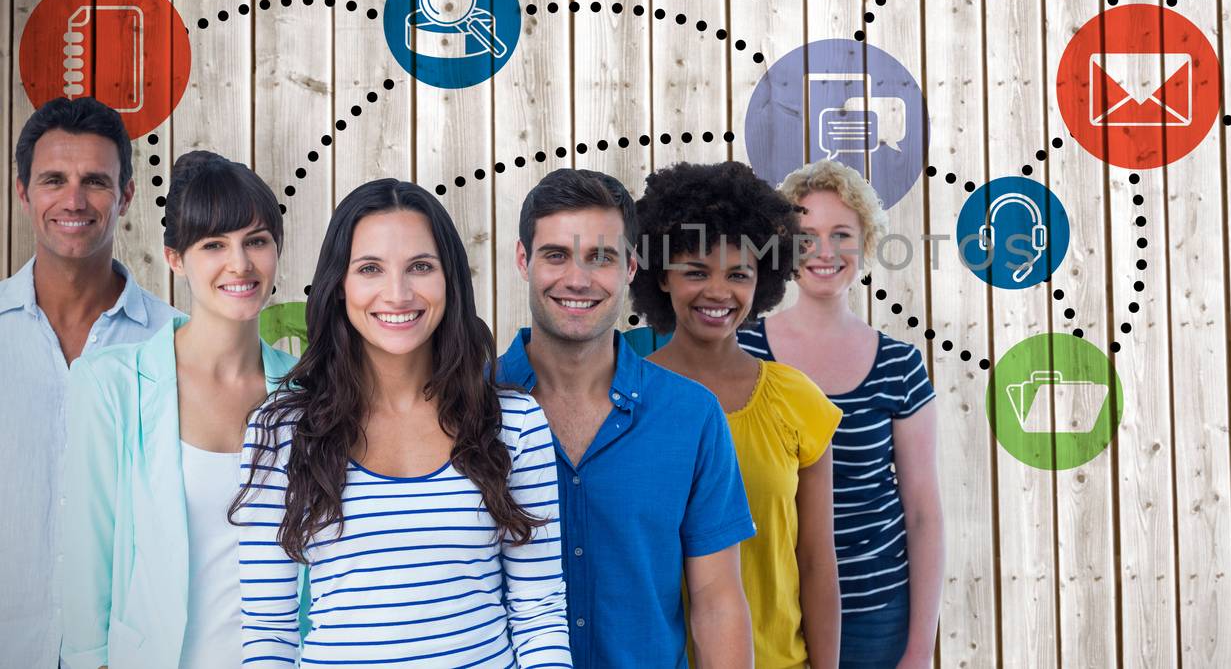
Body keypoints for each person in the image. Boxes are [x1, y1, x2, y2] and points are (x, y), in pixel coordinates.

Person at [232, 179, 569, 667]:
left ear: (450, 280)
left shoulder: (513, 421)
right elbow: (268, 632)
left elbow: (538, 611)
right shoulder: (280, 431)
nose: (398, 293)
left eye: (421, 267)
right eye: (370, 268)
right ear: (339, 285)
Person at [493, 168, 756, 669]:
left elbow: (718, 603)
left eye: (601, 257)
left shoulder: (692, 416)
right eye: (556, 255)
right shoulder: (465, 406)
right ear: (523, 260)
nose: (577, 279)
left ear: (630, 267)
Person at [55, 150, 291, 668]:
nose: (241, 263)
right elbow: (87, 574)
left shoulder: (306, 392)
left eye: (257, 241)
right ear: (175, 258)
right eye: (214, 245)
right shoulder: (111, 384)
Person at [631, 161, 843, 669]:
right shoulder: (626, 398)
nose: (718, 292)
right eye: (696, 271)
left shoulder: (797, 401)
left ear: (762, 282)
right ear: (662, 276)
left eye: (738, 274)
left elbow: (815, 562)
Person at [738, 161, 942, 669]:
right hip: (768, 609)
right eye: (806, 236)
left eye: (841, 234)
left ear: (865, 242)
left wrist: (920, 646)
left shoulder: (900, 365)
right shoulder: (739, 350)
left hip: (873, 617)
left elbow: (922, 512)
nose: (824, 252)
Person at [0, 97, 180, 667]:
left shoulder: (176, 347)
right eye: (54, 179)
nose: (73, 200)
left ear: (126, 195)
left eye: (95, 181)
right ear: (23, 191)